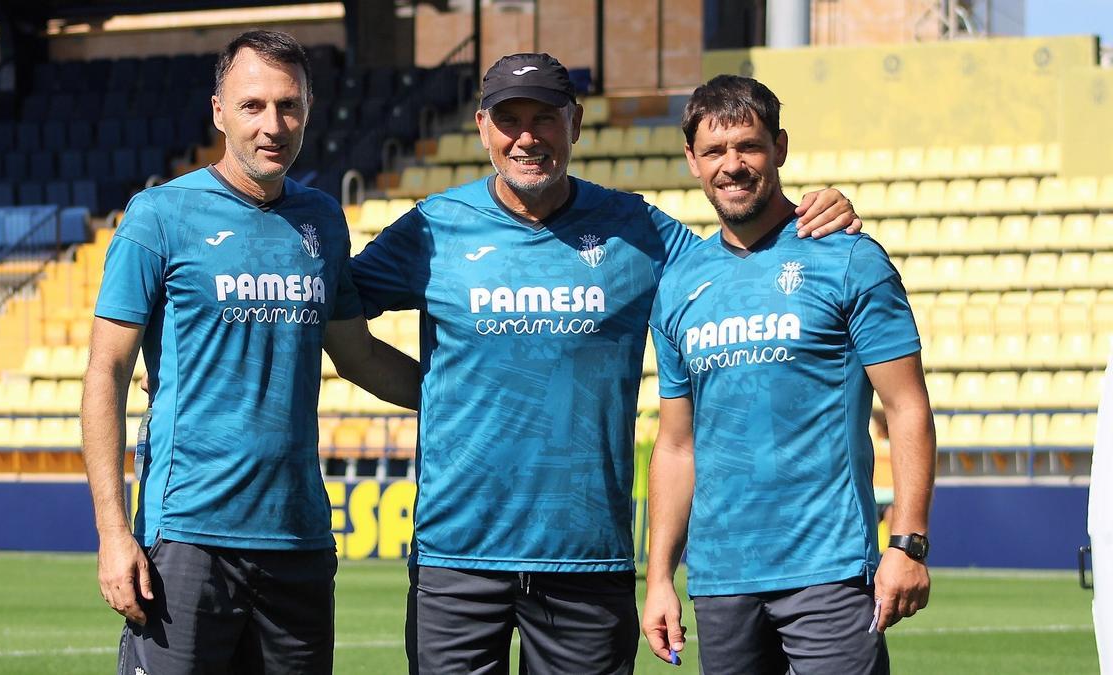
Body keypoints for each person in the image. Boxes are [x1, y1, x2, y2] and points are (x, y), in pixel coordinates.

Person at [350, 53, 863, 674]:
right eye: (509, 119)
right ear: (483, 126)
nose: (527, 136)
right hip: (458, 557)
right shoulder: (433, 227)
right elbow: (336, 318)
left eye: (546, 117)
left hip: (588, 561)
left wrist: (812, 215)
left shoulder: (637, 227)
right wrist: (431, 391)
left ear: (577, 122)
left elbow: (735, 261)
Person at [81, 30, 419, 674]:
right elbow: (107, 372)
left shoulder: (322, 220)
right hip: (187, 537)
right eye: (253, 105)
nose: (273, 124)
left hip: (299, 539)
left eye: (288, 105)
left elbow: (361, 358)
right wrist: (111, 532)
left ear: (308, 111)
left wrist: (474, 401)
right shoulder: (159, 216)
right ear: (218, 112)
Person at [641, 75, 935, 674]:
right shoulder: (678, 285)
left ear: (779, 147)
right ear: (692, 161)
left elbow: (907, 408)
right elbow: (677, 445)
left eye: (748, 146)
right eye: (715, 152)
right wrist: (659, 578)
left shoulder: (847, 256)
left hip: (827, 572)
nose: (733, 165)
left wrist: (907, 543)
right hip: (720, 579)